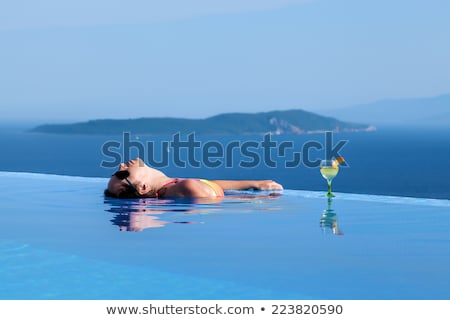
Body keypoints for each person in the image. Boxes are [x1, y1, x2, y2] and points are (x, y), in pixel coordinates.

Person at [105, 158, 283, 198]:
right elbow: (216, 198)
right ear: (143, 187)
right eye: (122, 174)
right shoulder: (187, 187)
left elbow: (213, 185)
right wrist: (258, 201)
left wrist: (253, 184)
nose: (121, 165)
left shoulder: (174, 186)